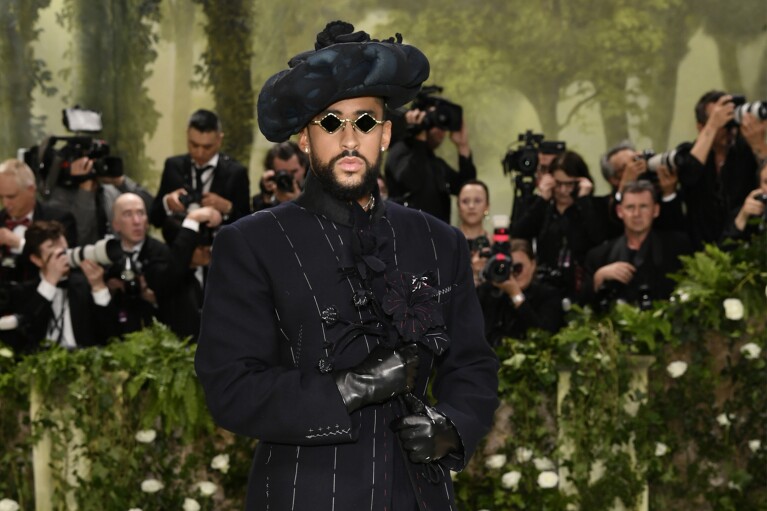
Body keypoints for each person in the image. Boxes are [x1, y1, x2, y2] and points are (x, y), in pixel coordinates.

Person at [195, 21, 499, 511]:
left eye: (365, 122)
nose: (350, 139)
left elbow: (473, 366)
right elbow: (229, 387)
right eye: (331, 123)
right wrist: (352, 387)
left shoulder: (439, 241)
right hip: (303, 495)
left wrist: (452, 428)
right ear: (304, 139)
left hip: (419, 496)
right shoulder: (251, 243)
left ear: (386, 135)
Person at [673, 91, 767, 248]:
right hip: (700, 250)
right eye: (720, 120)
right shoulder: (690, 152)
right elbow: (689, 175)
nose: (727, 127)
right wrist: (713, 125)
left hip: (743, 244)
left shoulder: (746, 150)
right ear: (701, 127)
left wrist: (759, 145)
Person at [511, 150, 607, 301]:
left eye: (569, 184)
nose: (563, 190)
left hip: (582, 285)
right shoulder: (544, 208)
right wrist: (542, 199)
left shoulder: (592, 206)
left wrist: (584, 200)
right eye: (558, 184)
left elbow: (599, 237)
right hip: (546, 287)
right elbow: (518, 234)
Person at [582, 180, 692, 310]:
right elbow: (582, 305)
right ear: (619, 211)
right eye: (630, 207)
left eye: (643, 206)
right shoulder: (599, 256)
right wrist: (599, 277)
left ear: (655, 210)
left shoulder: (678, 247)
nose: (636, 214)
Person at [13, 220, 115, 353]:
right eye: (51, 247)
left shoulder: (84, 285)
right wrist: (50, 282)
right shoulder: (23, 292)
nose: (61, 253)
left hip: (83, 363)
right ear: (36, 260)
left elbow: (111, 335)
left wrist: (98, 287)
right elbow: (26, 333)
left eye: (62, 246)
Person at [384, 88, 476, 223]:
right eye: (436, 120)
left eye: (444, 123)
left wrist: (463, 146)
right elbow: (413, 181)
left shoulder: (435, 163)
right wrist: (419, 135)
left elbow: (467, 188)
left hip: (437, 239)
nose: (441, 129)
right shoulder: (400, 150)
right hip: (407, 238)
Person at [149, 109, 250, 229]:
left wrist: (228, 208)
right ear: (187, 135)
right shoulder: (173, 166)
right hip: (180, 244)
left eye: (207, 147)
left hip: (218, 245)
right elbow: (154, 219)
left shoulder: (236, 173)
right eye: (194, 145)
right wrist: (167, 202)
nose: (199, 153)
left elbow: (247, 226)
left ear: (219, 140)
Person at [43, 154, 153, 245]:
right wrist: (85, 189)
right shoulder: (59, 197)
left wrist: (120, 182)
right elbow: (79, 236)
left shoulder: (111, 190)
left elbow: (153, 211)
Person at [0, 159, 78, 284]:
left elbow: (65, 265)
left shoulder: (59, 219)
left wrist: (19, 243)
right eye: (1, 197)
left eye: (11, 196)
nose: (5, 203)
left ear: (31, 190)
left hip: (46, 297)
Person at [105, 193, 171, 337]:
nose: (137, 221)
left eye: (141, 213)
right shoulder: (105, 255)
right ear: (115, 224)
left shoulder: (163, 253)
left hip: (154, 334)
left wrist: (149, 294)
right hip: (114, 335)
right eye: (128, 214)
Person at [476, 238, 564, 345]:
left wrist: (516, 295)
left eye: (517, 268)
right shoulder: (489, 292)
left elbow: (542, 336)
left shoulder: (548, 295)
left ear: (533, 265)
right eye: (507, 268)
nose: (513, 274)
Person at [160, 205, 222, 340]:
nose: (208, 249)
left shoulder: (216, 270)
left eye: (208, 243)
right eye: (200, 246)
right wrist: (193, 219)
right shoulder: (166, 274)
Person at [598, 141, 685, 236]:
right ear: (614, 179)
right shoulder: (605, 207)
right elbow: (616, 227)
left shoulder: (659, 193)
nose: (635, 168)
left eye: (636, 161)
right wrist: (624, 187)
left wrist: (669, 192)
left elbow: (675, 230)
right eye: (626, 168)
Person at [251, 141, 309, 211]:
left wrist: (299, 202)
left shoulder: (317, 195)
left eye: (293, 172)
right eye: (283, 173)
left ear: (304, 167)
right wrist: (267, 197)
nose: (289, 177)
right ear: (272, 173)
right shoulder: (262, 201)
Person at [456, 180, 492, 286]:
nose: (471, 206)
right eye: (465, 201)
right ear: (458, 206)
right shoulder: (446, 243)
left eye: (477, 201)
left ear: (487, 206)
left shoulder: (496, 244)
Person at [721, 160, 767, 242]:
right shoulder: (751, 214)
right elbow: (724, 250)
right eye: (766, 182)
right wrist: (743, 216)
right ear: (760, 187)